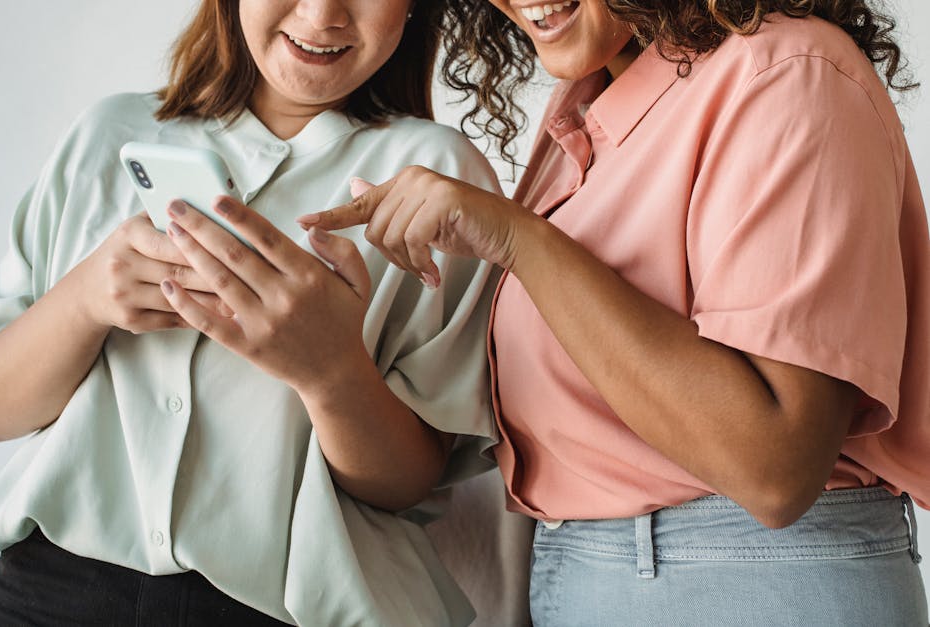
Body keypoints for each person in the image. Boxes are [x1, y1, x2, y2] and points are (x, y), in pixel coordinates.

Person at [299, 0, 930, 623]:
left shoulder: (787, 70)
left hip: (748, 582)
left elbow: (776, 471)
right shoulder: (589, 102)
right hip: (592, 575)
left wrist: (521, 241)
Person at [0, 1, 504, 625]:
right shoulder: (108, 134)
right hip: (43, 588)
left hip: (277, 608)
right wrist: (83, 300)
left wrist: (332, 372)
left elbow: (407, 485)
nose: (322, 14)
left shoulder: (439, 181)